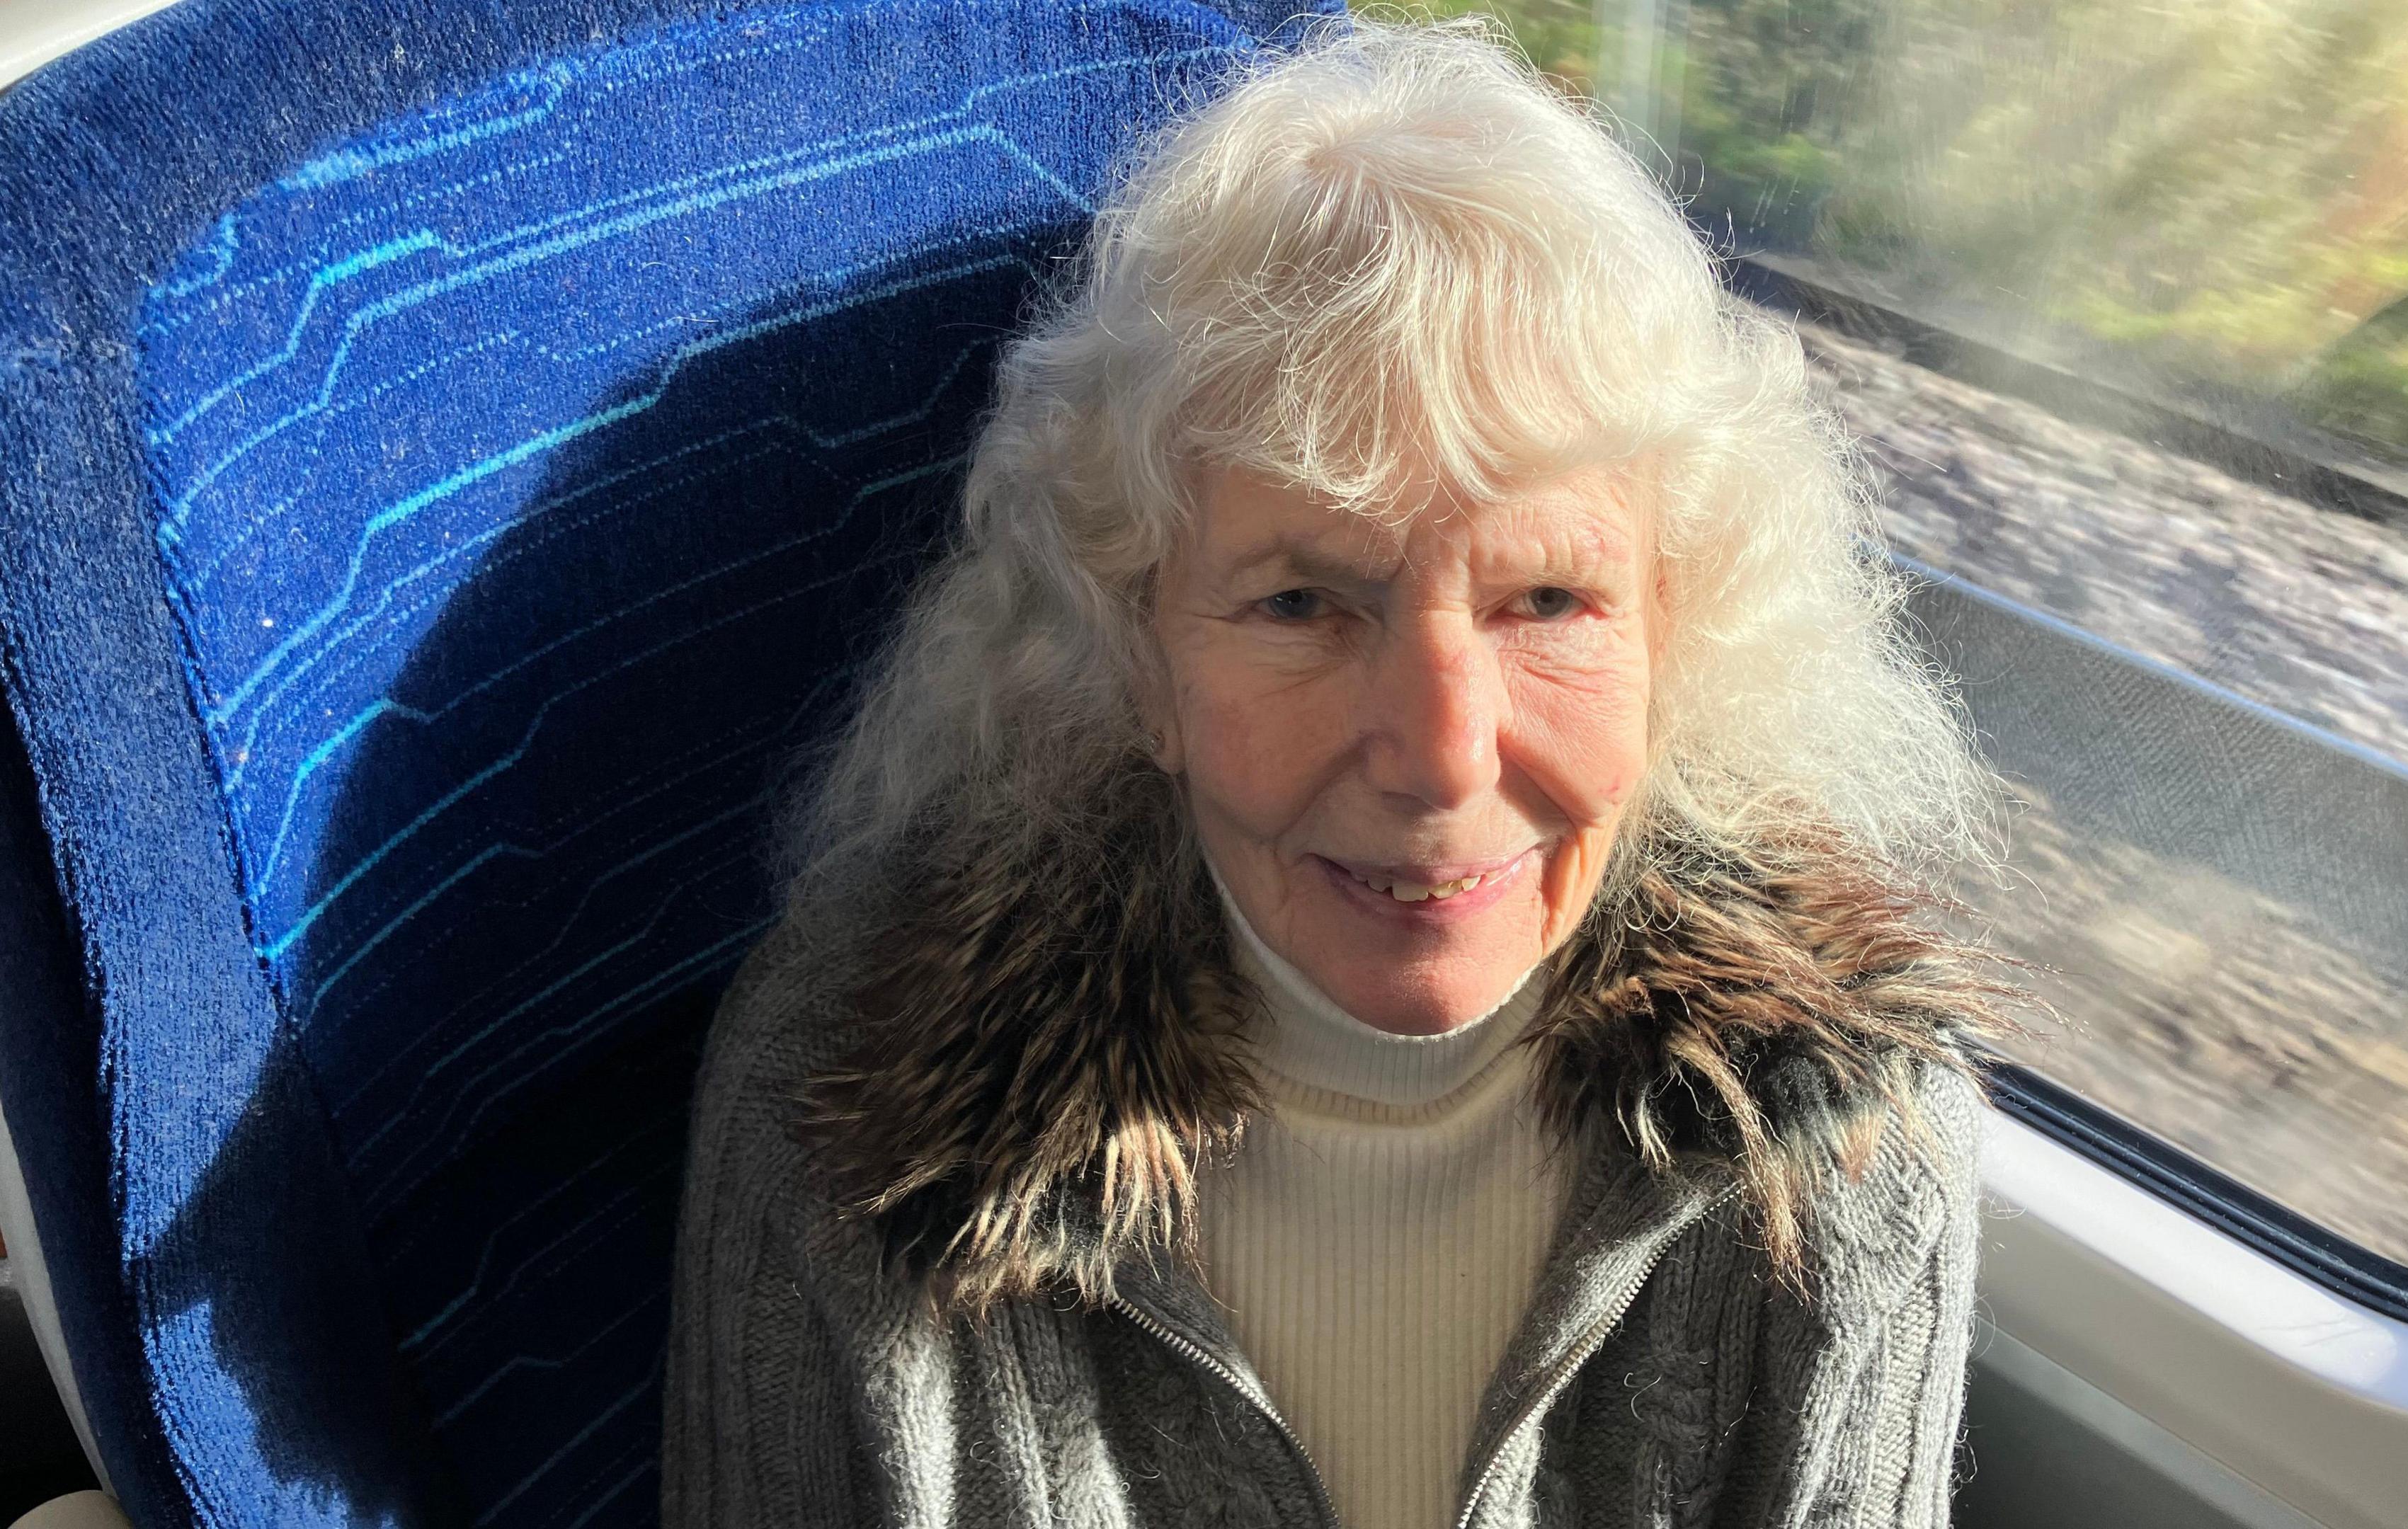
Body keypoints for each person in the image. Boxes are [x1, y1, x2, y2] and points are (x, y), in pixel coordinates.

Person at [664, 12, 2014, 1527]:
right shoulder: (834, 1100)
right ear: (1137, 653)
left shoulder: (1855, 1136)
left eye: (1549, 601)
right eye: (1305, 603)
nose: (1442, 756)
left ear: (1674, 640)